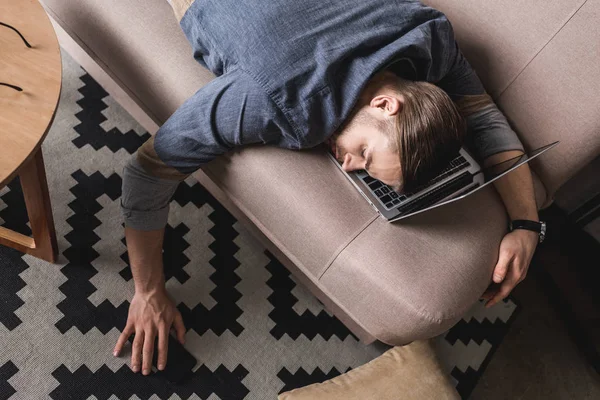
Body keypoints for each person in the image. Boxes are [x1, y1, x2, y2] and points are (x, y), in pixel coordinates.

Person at [113, 0, 541, 375]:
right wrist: (148, 291)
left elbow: (483, 119)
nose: (350, 165)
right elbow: (149, 169)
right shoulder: (276, 97)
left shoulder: (429, 37)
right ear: (386, 104)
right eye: (365, 155)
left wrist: (526, 223)